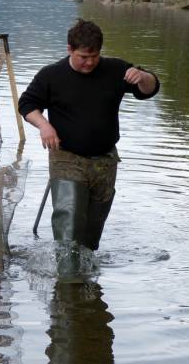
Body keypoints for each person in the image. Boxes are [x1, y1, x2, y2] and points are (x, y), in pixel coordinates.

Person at [18, 18, 159, 251]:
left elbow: (150, 89)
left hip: (105, 160)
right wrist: (44, 125)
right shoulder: (51, 75)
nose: (89, 62)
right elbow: (26, 104)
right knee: (69, 222)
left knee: (91, 235)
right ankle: (68, 280)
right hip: (66, 157)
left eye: (95, 56)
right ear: (70, 50)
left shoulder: (115, 69)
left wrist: (143, 76)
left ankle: (85, 279)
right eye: (83, 57)